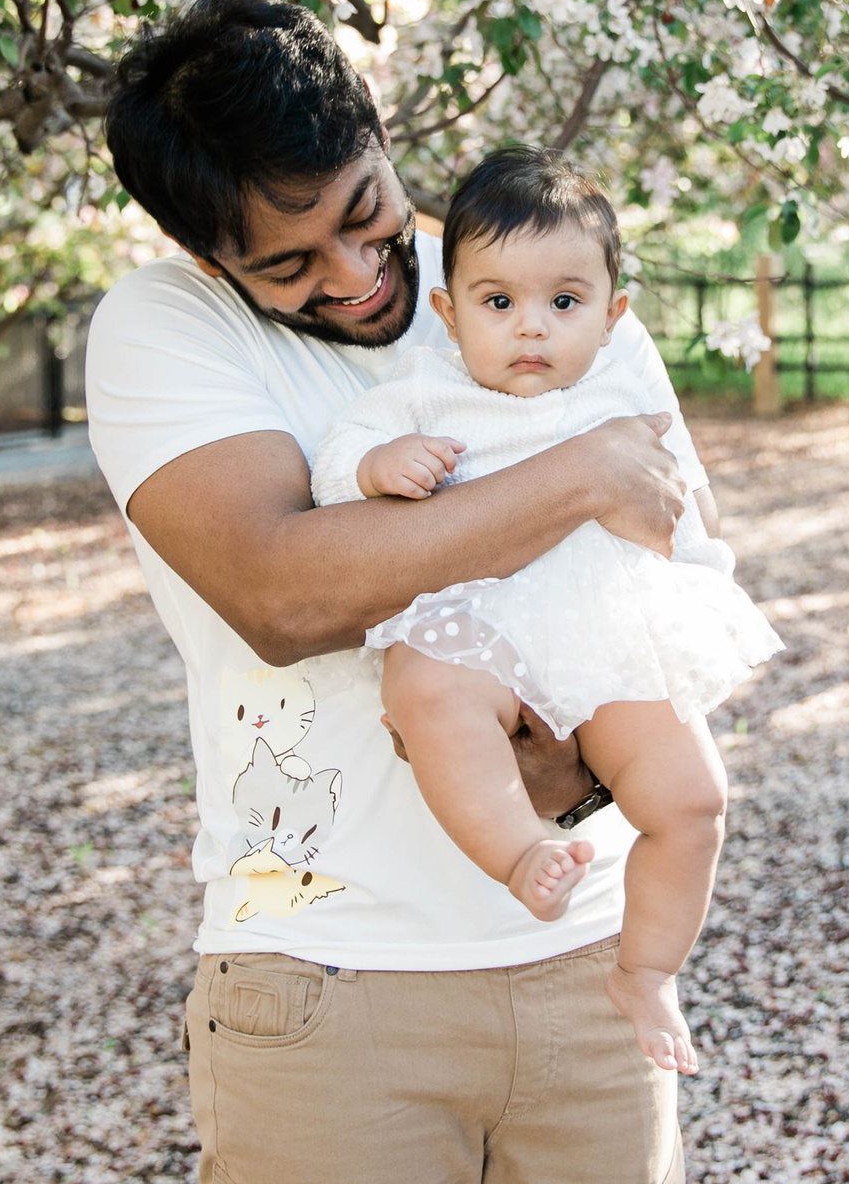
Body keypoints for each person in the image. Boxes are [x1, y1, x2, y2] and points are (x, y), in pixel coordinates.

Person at [85, 0, 702, 1184]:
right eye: (290, 263)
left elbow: (673, 581)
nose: (359, 275)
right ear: (212, 258)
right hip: (329, 980)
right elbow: (284, 590)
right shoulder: (166, 327)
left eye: (366, 218)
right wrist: (570, 475)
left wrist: (579, 778)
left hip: (588, 960)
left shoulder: (540, 278)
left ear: (377, 132)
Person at [311, 147, 779, 1076]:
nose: (531, 329)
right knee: (428, 691)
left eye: (564, 303)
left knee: (694, 801)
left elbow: (683, 510)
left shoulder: (625, 397)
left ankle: (647, 970)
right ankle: (521, 849)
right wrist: (373, 467)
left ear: (613, 317)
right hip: (482, 623)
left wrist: (699, 584)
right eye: (498, 303)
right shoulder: (423, 393)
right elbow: (337, 459)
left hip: (604, 628)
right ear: (449, 315)